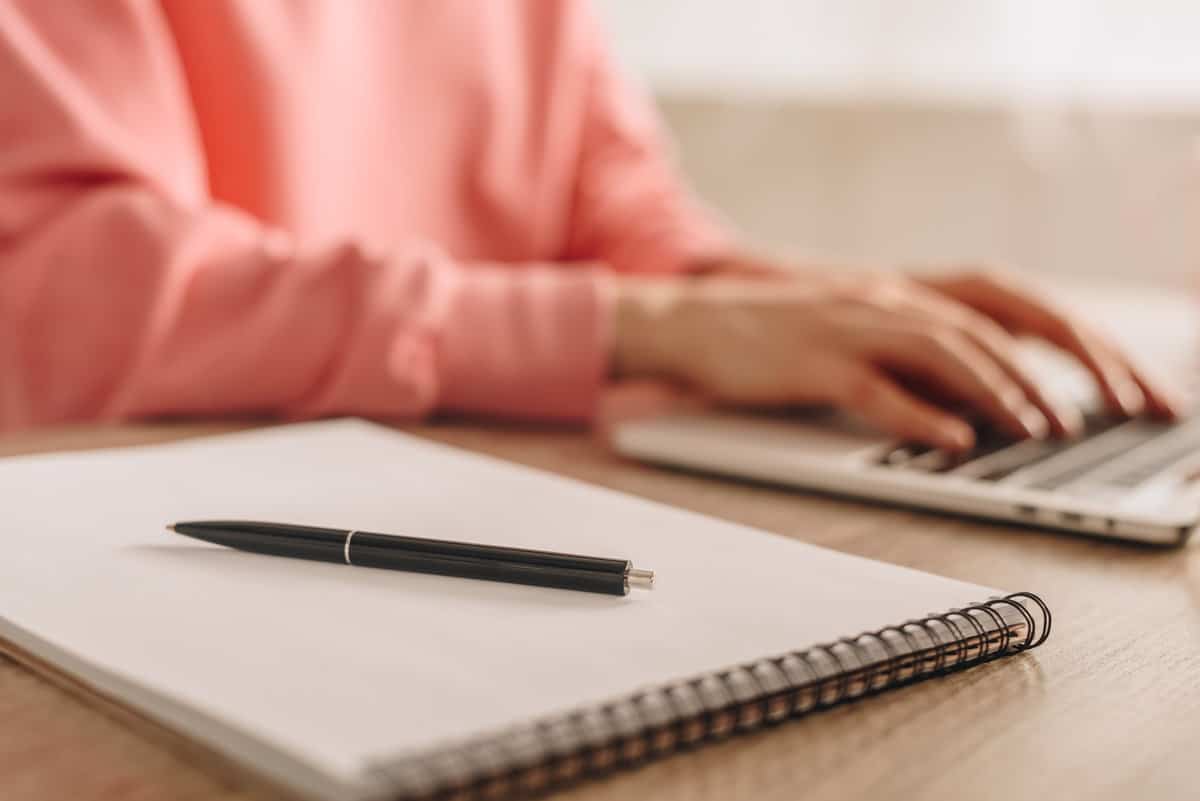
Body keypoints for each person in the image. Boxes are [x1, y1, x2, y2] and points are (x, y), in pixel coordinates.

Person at [0, 1, 1180, 449]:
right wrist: (648, 323)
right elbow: (80, 295)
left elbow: (615, 207)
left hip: (476, 480)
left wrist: (801, 307)